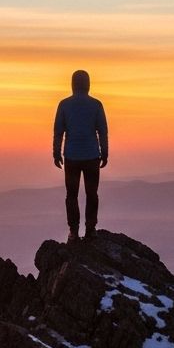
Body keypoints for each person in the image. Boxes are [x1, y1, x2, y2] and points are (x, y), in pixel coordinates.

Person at [53, 69, 108, 242]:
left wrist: (56, 152)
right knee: (92, 194)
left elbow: (58, 131)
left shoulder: (64, 105)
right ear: (88, 84)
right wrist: (104, 152)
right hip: (92, 156)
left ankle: (74, 232)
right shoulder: (96, 105)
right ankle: (91, 229)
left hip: (71, 157)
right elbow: (103, 131)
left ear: (72, 84)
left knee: (72, 195)